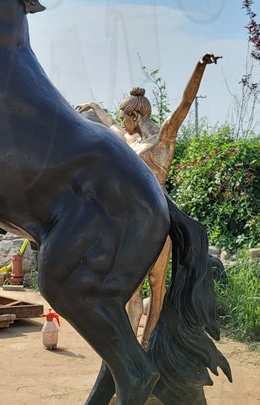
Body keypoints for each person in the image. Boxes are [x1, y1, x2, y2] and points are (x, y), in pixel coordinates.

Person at [77, 53, 220, 347]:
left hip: (158, 220)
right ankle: (131, 344)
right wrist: (94, 107)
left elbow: (185, 103)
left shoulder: (163, 137)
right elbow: (110, 126)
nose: (121, 123)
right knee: (131, 289)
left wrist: (200, 67)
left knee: (157, 286)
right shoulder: (129, 139)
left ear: (136, 116)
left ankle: (148, 343)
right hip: (132, 221)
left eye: (124, 118)